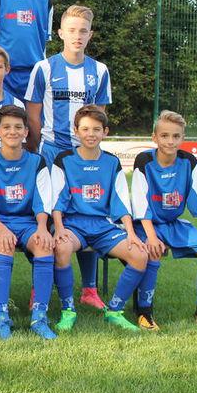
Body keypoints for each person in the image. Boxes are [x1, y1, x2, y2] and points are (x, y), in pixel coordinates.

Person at [25, 4, 112, 310]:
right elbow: (32, 116)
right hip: (51, 151)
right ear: (60, 33)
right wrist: (39, 148)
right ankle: (40, 287)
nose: (77, 36)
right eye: (72, 30)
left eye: (83, 31)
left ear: (90, 35)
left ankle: (89, 289)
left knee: (89, 213)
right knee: (47, 218)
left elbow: (98, 117)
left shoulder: (99, 71)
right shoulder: (44, 68)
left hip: (84, 156)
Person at [51, 105, 148, 332]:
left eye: (96, 129)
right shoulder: (64, 160)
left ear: (105, 132)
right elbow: (57, 200)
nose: (90, 134)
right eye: (85, 129)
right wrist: (59, 228)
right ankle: (68, 310)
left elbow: (121, 201)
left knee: (139, 255)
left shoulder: (112, 162)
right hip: (73, 224)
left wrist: (131, 233)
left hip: (103, 226)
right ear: (76, 131)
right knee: (62, 248)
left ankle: (114, 310)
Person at [130, 110, 197, 331]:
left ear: (182, 138)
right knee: (152, 252)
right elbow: (140, 204)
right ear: (155, 138)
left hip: (172, 224)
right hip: (146, 225)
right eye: (164, 136)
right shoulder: (144, 161)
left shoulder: (188, 161)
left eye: (176, 136)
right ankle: (144, 313)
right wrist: (151, 237)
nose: (170, 141)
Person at [0, 104, 56, 339]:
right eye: (7, 127)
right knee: (4, 244)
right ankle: (1, 316)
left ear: (26, 132)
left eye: (18, 127)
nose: (12, 131)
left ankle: (39, 317)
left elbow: (42, 200)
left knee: (43, 245)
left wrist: (42, 228)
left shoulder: (37, 162)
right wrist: (1, 230)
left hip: (28, 223)